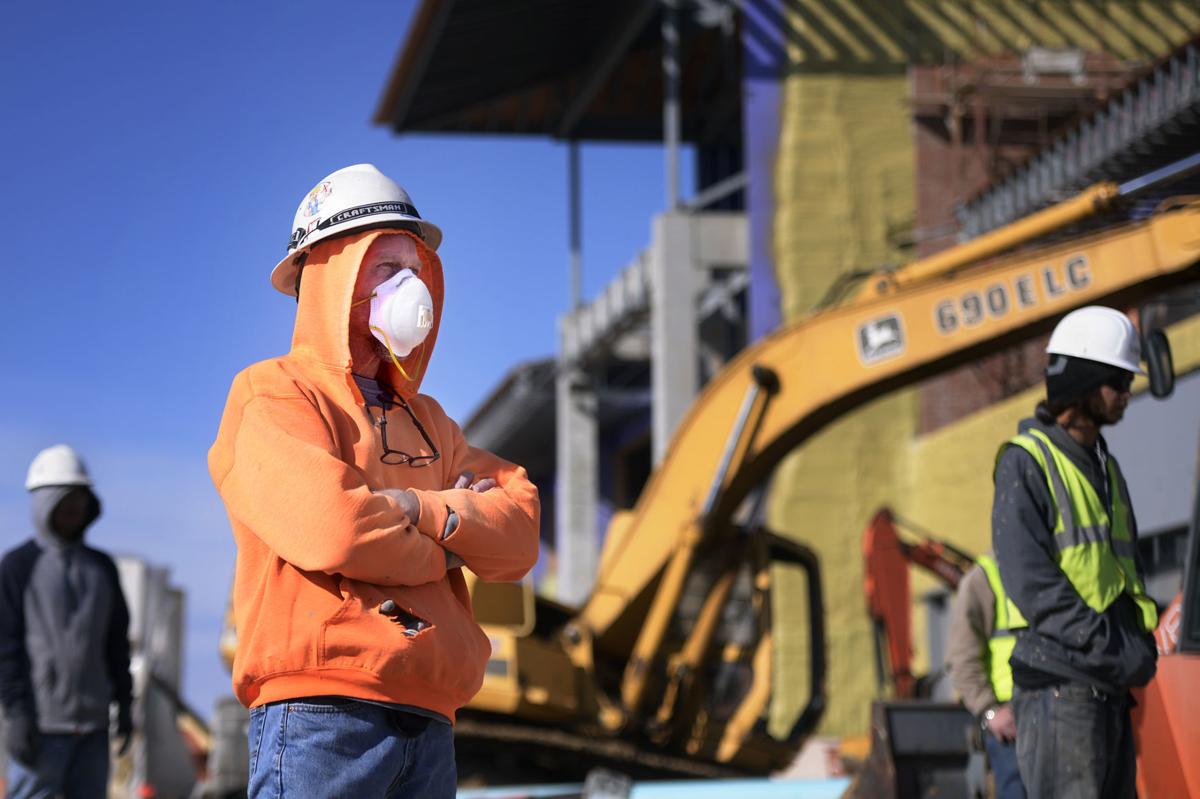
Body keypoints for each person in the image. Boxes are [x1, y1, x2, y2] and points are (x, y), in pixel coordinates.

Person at [209, 163, 540, 798]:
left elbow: (519, 532)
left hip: (430, 720)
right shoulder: (272, 394)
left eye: (413, 269)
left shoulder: (432, 421)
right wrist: (451, 548)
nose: (409, 287)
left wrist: (417, 508)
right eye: (386, 268)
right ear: (328, 277)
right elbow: (335, 528)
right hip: (320, 716)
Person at [992, 306, 1158, 798]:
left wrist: (1135, 644)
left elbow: (1123, 574)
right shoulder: (1027, 462)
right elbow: (1031, 582)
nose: (1127, 392)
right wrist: (1108, 643)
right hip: (1060, 689)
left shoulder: (1107, 468)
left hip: (1105, 686)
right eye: (1118, 381)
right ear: (1084, 383)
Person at [0, 445, 133, 799]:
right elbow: (6, 648)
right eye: (64, 496)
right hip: (40, 729)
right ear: (43, 502)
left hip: (93, 730)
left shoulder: (102, 568)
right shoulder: (17, 566)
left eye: (80, 496)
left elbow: (117, 644)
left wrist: (125, 705)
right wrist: (16, 715)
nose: (74, 506)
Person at [945, 553, 1026, 799]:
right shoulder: (984, 577)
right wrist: (990, 710)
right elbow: (961, 657)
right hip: (1009, 723)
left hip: (1051, 712)